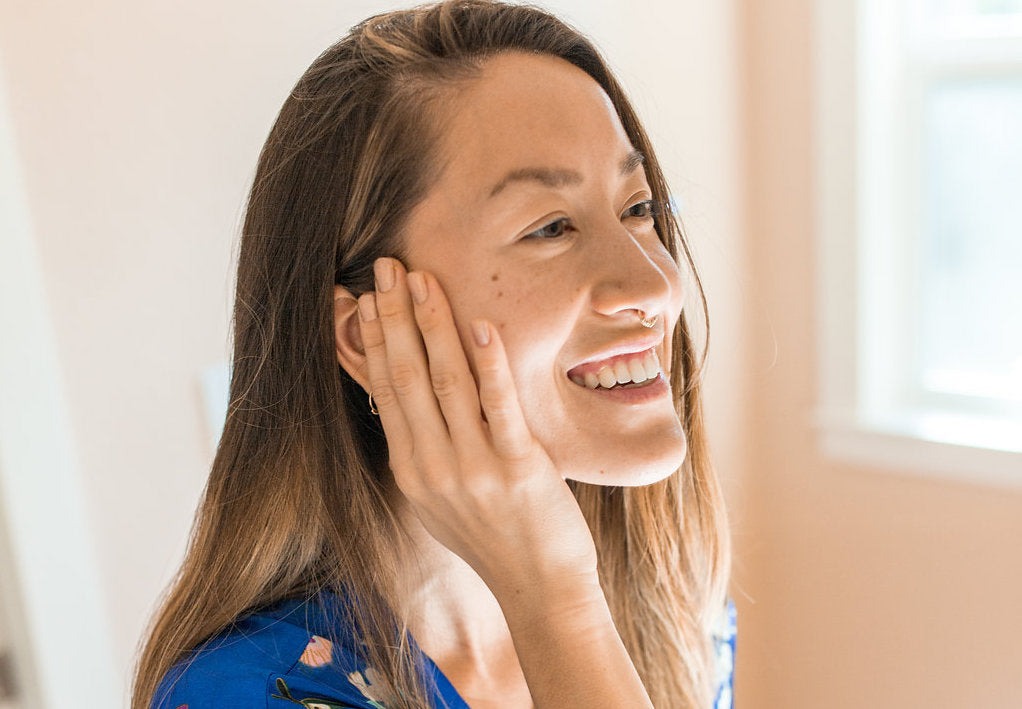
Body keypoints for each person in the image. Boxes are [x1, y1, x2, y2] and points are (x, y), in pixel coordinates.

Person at [133, 1, 735, 707]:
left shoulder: (672, 602)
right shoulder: (249, 695)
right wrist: (554, 599)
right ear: (365, 334)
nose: (656, 283)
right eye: (550, 228)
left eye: (638, 209)